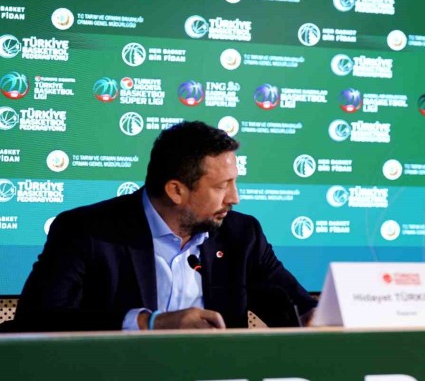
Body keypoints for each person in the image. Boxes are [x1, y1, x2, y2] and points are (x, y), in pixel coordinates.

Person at [10, 121, 316, 331]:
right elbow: (36, 320)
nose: (234, 198)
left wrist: (314, 316)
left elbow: (295, 306)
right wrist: (149, 323)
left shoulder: (241, 235)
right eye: (222, 186)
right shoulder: (87, 232)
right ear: (176, 191)